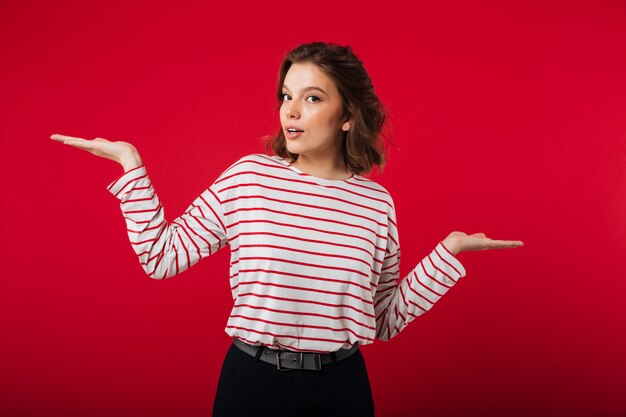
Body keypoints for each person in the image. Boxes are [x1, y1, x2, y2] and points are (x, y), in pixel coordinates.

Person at [50, 42, 524, 417]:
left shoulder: (376, 205)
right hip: (252, 385)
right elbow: (162, 257)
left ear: (347, 116)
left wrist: (448, 253)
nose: (291, 111)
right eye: (286, 95)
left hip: (341, 391)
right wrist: (131, 166)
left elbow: (382, 321)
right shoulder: (249, 177)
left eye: (312, 98)